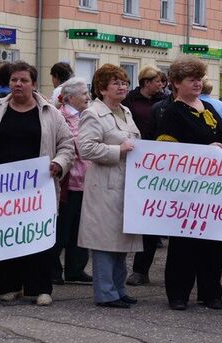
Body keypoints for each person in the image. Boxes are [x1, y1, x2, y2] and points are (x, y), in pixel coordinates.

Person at [0, 61, 74, 306]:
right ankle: (8, 285)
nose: (18, 84)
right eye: (14, 80)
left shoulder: (49, 112)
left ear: (34, 84)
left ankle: (39, 288)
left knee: (38, 237)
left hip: (38, 189)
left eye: (23, 80)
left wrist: (58, 164)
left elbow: (67, 146)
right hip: (2, 188)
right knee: (6, 235)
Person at [155, 56, 222, 311]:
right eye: (191, 79)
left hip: (212, 189)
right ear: (176, 83)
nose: (197, 83)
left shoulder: (208, 109)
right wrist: (204, 150)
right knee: (184, 244)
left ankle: (211, 292)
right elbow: (169, 151)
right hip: (186, 190)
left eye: (199, 78)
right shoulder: (171, 112)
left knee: (212, 242)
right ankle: (178, 293)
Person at [78, 64, 142, 308]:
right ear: (102, 88)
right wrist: (118, 150)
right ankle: (106, 293)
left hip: (127, 182)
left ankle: (119, 288)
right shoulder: (93, 113)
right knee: (105, 242)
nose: (122, 86)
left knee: (121, 239)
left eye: (124, 82)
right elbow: (86, 148)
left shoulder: (125, 111)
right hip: (104, 184)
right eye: (116, 83)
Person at [121, 65, 166, 287]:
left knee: (155, 220)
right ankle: (138, 269)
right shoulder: (130, 100)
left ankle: (146, 268)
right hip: (137, 160)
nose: (161, 85)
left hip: (162, 164)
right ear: (146, 82)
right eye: (157, 81)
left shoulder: (165, 104)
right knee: (142, 216)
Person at [51, 77, 92, 285]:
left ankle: (76, 269)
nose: (88, 97)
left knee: (80, 229)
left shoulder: (87, 115)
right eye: (84, 93)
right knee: (62, 229)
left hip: (87, 182)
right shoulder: (60, 117)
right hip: (68, 182)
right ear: (69, 97)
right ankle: (53, 270)